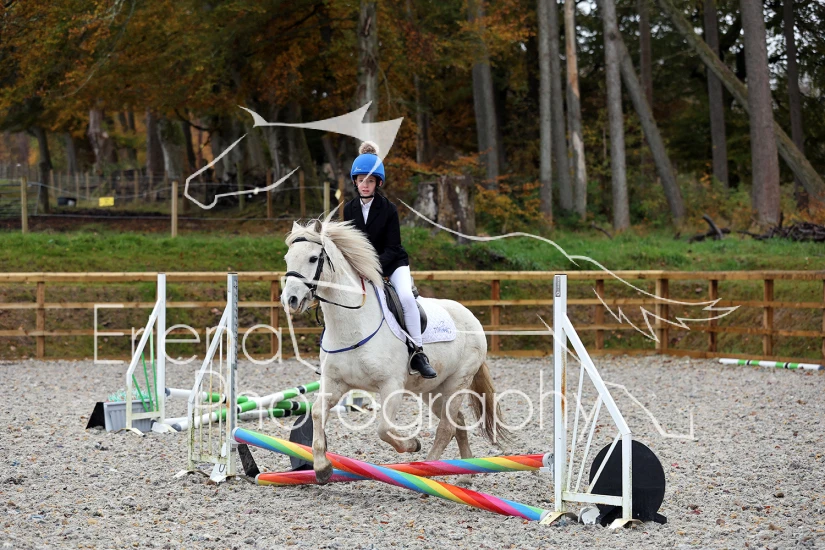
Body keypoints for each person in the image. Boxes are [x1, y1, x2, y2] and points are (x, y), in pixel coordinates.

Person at [342, 141, 437, 379]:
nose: (365, 185)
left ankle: (418, 352)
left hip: (393, 264)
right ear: (355, 182)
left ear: (378, 183)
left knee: (405, 297)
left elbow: (393, 248)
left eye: (370, 181)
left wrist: (370, 268)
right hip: (361, 268)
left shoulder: (389, 209)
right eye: (361, 180)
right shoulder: (349, 209)